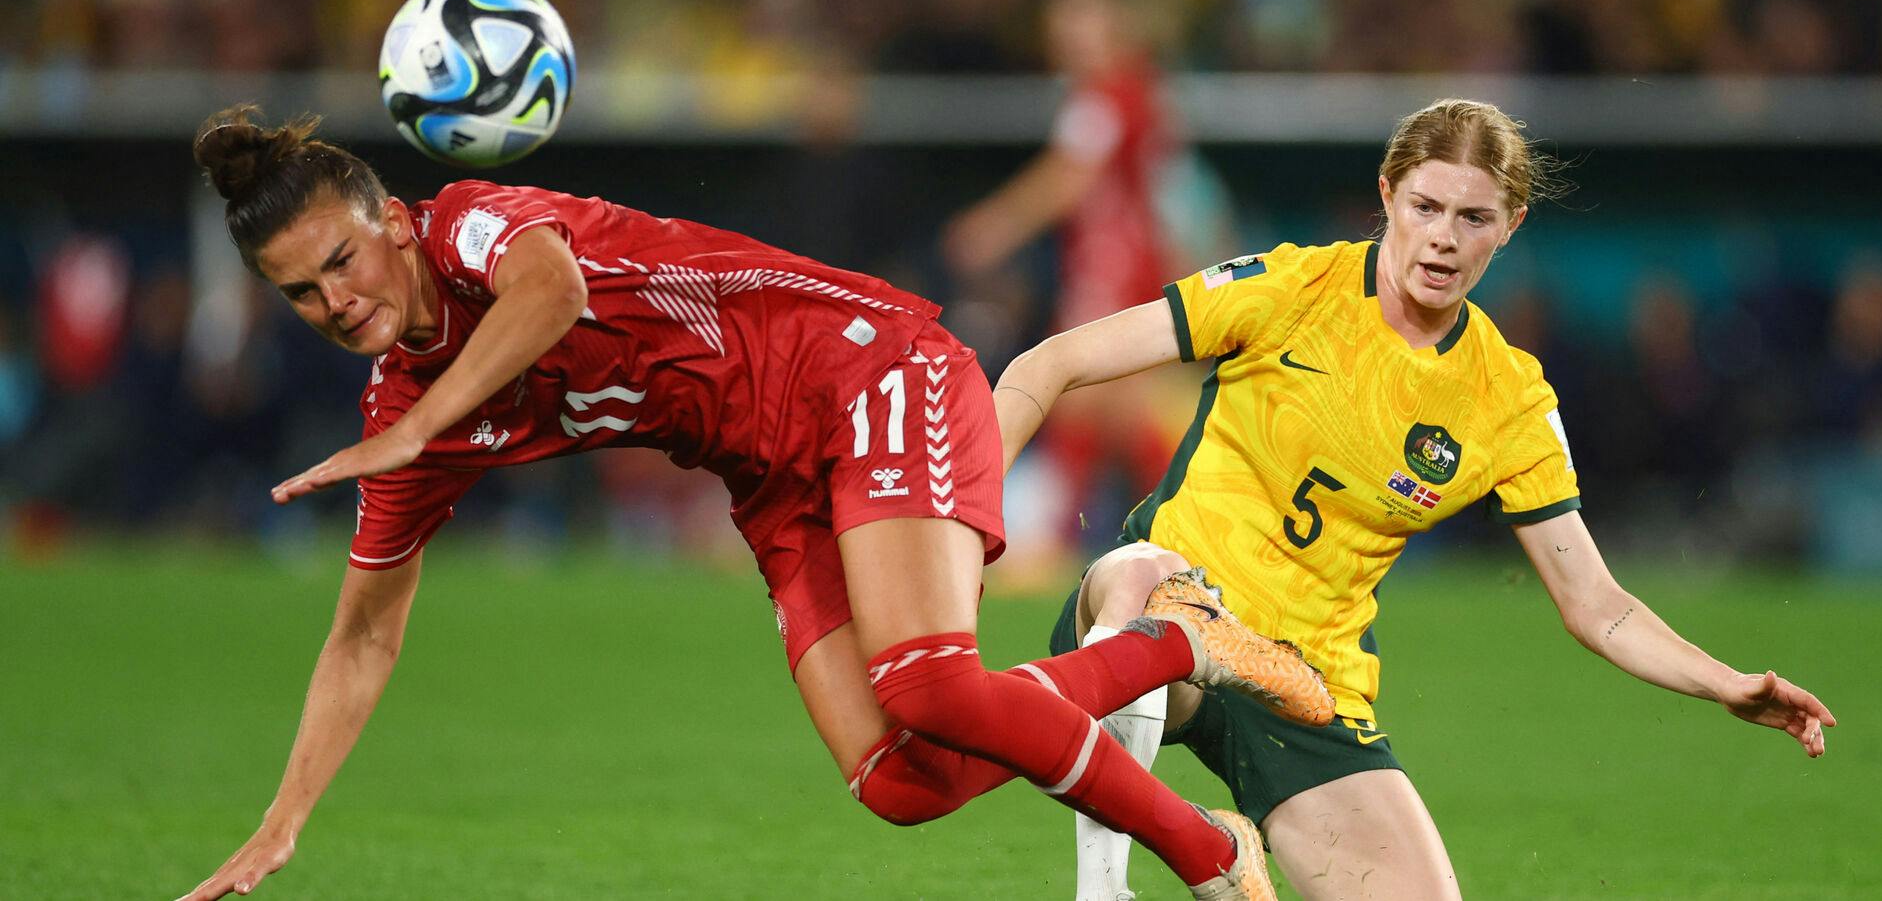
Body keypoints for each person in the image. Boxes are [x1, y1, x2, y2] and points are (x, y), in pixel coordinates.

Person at [173, 105, 1335, 901]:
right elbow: (363, 635)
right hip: (772, 478)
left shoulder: (473, 224)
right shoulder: (407, 411)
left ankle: (1206, 857)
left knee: (926, 682)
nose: (334, 299)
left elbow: (553, 287)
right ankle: (1176, 644)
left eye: (341, 260)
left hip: (869, 369)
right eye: (299, 291)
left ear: (388, 220)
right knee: (900, 782)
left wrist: (420, 423)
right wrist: (284, 822)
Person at [992, 98, 1839, 901]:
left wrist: (1726, 682)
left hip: (1305, 681)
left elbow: (1596, 604)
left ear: (1510, 228)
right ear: (1388, 195)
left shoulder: (1507, 397)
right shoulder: (1291, 288)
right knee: (1145, 578)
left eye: (1474, 219)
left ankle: (1231, 831)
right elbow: (1045, 367)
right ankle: (1121, 884)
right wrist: (965, 530)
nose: (1443, 239)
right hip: (1161, 613)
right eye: (1427, 207)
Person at [942, 0, 1181, 562]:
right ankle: (1175, 540)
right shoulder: (1135, 93)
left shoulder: (1104, 98)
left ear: (1113, 28)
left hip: (1112, 269)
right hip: (1122, 263)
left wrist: (994, 225)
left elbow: (1068, 178)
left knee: (1082, 396)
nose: (1069, 37)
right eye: (1061, 27)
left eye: (1082, 22)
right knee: (1111, 408)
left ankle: (1056, 539)